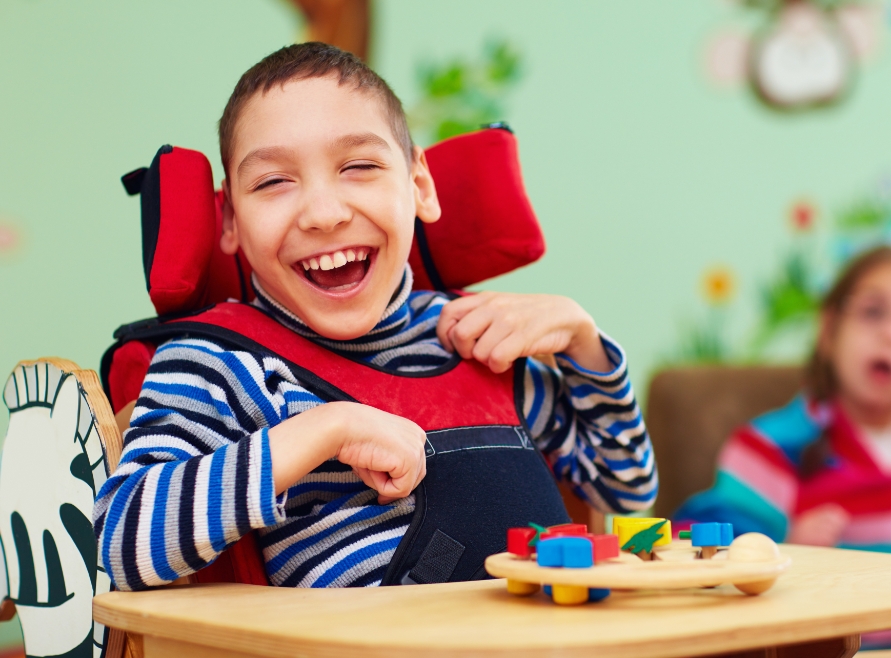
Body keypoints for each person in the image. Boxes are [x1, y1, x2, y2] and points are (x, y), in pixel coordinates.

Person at [93, 43, 656, 591]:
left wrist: (585, 344)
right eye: (273, 182)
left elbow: (626, 491)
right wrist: (321, 430)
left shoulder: (476, 339)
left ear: (419, 186)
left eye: (358, 166)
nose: (324, 213)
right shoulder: (220, 361)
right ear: (230, 222)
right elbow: (116, 543)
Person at [675, 246, 891, 551]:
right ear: (829, 331)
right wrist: (788, 546)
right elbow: (696, 544)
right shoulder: (769, 449)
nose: (889, 334)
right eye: (873, 311)